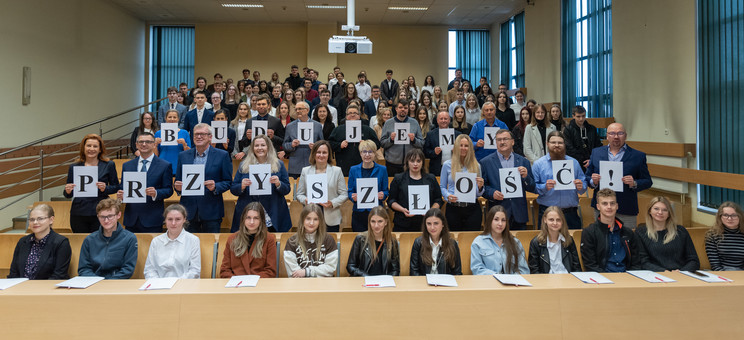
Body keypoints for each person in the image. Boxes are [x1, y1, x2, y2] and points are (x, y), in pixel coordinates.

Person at [586, 122, 653, 229]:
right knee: (602, 241)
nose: (616, 136)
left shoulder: (638, 156)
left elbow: (648, 181)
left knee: (627, 242)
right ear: (607, 136)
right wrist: (593, 181)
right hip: (602, 208)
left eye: (620, 133)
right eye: (612, 133)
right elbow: (587, 177)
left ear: (625, 136)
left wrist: (634, 183)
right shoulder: (596, 153)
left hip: (626, 208)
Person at [175, 123, 232, 233]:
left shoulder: (222, 155)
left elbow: (228, 181)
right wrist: (177, 187)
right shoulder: (183, 155)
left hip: (212, 211)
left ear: (210, 137)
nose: (199, 137)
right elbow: (178, 181)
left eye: (202, 134)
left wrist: (216, 186)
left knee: (210, 247)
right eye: (196, 134)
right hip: (188, 211)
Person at [231, 135, 291, 233]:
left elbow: (287, 189)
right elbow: (234, 189)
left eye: (263, 145)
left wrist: (278, 184)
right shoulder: (244, 165)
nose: (259, 148)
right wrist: (241, 186)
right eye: (256, 145)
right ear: (252, 148)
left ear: (268, 147)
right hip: (249, 213)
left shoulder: (279, 164)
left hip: (273, 212)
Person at [117, 132, 173, 233]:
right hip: (131, 218)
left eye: (148, 142)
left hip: (152, 218)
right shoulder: (127, 165)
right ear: (136, 145)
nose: (144, 144)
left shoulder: (165, 165)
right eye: (141, 142)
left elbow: (169, 190)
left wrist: (156, 193)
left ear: (154, 144)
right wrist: (121, 195)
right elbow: (123, 187)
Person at [480, 129, 535, 230]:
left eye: (505, 139)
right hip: (497, 213)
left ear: (512, 141)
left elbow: (532, 187)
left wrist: (526, 177)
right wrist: (492, 193)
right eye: (499, 140)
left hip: (519, 213)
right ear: (495, 142)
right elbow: (482, 188)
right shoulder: (485, 162)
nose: (502, 142)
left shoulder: (523, 161)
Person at [63, 134, 119, 233]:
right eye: (88, 146)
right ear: (83, 148)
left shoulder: (108, 165)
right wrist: (67, 191)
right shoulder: (74, 166)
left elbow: (116, 187)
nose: (91, 149)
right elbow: (68, 194)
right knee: (81, 242)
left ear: (100, 149)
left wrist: (105, 188)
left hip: (101, 210)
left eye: (95, 146)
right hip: (79, 211)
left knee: (100, 243)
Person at [532, 131, 587, 228]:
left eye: (560, 143)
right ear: (547, 144)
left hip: (570, 214)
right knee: (545, 243)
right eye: (553, 142)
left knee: (573, 242)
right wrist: (544, 187)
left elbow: (584, 186)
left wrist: (581, 186)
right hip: (547, 213)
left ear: (564, 144)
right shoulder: (538, 164)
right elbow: (533, 188)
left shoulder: (574, 163)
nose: (557, 145)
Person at [580, 188, 641, 272]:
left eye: (612, 203)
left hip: (627, 278)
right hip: (602, 279)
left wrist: (630, 278)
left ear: (617, 206)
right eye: (604, 204)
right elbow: (590, 265)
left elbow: (636, 263)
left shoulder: (628, 233)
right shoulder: (589, 232)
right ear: (598, 206)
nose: (609, 207)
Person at [295, 141, 348, 232]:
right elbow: (299, 194)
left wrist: (332, 203)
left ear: (329, 155)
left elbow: (344, 194)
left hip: (331, 217)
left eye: (324, 152)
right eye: (318, 152)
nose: (321, 155)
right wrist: (305, 200)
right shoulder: (305, 171)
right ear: (314, 153)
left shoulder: (337, 171)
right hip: (310, 217)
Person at [78, 199, 138, 279]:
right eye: (102, 217)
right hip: (93, 283)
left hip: (117, 284)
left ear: (118, 215)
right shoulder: (89, 240)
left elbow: (127, 270)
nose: (106, 221)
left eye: (110, 216)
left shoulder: (130, 238)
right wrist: (97, 282)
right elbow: (84, 269)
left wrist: (108, 283)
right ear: (98, 217)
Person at [7, 204, 71, 279]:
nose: (35, 222)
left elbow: (59, 275)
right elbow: (13, 273)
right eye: (32, 219)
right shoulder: (23, 242)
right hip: (20, 287)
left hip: (46, 288)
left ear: (51, 220)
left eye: (40, 218)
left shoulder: (61, 242)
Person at [636, 197, 699, 271]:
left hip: (681, 274)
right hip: (656, 275)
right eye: (656, 209)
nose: (660, 212)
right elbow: (643, 262)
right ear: (649, 211)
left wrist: (682, 272)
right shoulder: (640, 232)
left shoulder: (681, 231)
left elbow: (693, 260)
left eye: (665, 210)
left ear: (669, 213)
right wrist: (664, 272)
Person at [388, 149, 443, 232]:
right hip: (403, 223)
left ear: (423, 163)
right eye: (412, 161)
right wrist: (403, 209)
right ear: (407, 162)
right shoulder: (398, 179)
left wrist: (430, 211)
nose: (415, 164)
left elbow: (438, 200)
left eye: (418, 161)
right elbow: (391, 201)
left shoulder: (431, 179)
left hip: (426, 224)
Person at [220, 202, 278, 278]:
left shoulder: (269, 239)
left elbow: (271, 271)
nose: (251, 222)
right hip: (236, 285)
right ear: (243, 219)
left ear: (261, 220)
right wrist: (237, 280)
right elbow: (224, 270)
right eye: (248, 218)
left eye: (256, 218)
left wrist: (252, 279)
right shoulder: (232, 238)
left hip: (259, 284)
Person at [440, 135, 485, 231]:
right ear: (456, 147)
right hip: (453, 208)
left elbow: (477, 194)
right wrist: (448, 196)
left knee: (471, 240)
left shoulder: (476, 165)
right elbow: (442, 187)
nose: (463, 148)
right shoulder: (447, 165)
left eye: (466, 146)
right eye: (461, 145)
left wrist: (480, 188)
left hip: (472, 209)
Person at [143, 204, 201, 279]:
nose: (173, 223)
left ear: (184, 220)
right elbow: (149, 270)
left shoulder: (193, 240)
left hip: (184, 286)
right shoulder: (156, 241)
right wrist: (159, 284)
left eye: (178, 219)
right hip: (159, 286)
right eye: (170, 219)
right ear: (165, 220)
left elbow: (194, 271)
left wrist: (175, 284)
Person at [471, 205, 529, 275]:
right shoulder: (478, 242)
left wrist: (513, 280)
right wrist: (497, 276)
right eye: (496, 219)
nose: (500, 224)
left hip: (512, 284)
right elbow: (476, 269)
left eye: (503, 220)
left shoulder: (515, 242)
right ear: (490, 221)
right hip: (488, 283)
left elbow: (523, 270)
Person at [284, 204, 339, 277]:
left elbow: (330, 268)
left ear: (320, 221)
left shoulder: (328, 240)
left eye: (315, 219)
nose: (311, 223)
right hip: (300, 285)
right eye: (308, 218)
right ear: (302, 220)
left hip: (324, 284)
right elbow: (293, 272)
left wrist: (307, 272)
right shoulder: (292, 241)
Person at [347, 140, 389, 232]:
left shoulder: (382, 169)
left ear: (374, 154)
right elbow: (350, 191)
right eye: (364, 152)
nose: (367, 155)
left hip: (377, 213)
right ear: (360, 154)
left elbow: (386, 191)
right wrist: (352, 196)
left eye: (370, 152)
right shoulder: (353, 170)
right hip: (359, 213)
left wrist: (383, 195)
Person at [346, 206, 400, 276]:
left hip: (384, 282)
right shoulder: (360, 239)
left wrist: (387, 279)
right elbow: (350, 266)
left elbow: (395, 270)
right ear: (369, 222)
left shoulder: (392, 242)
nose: (376, 226)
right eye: (373, 221)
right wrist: (364, 275)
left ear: (386, 222)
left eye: (380, 221)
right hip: (364, 280)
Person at [328, 104, 381, 176]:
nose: (352, 115)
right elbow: (329, 144)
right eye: (350, 113)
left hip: (364, 165)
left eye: (355, 113)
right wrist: (339, 145)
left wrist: (367, 144)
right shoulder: (338, 130)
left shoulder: (367, 129)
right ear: (346, 116)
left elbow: (377, 144)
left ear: (359, 116)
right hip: (344, 165)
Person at [528, 206, 581, 273]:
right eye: (551, 220)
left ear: (562, 221)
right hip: (546, 280)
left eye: (558, 220)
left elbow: (577, 267)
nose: (555, 223)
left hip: (568, 279)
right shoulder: (536, 242)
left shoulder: (569, 240)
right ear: (545, 220)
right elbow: (534, 270)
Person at [410, 208, 462, 276]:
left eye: (436, 223)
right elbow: (414, 271)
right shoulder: (418, 243)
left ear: (443, 224)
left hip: (445, 284)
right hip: (424, 283)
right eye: (429, 224)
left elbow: (457, 272)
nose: (432, 227)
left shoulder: (452, 244)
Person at [379, 99, 424, 176]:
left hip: (410, 164)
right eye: (400, 107)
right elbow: (382, 143)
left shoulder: (414, 122)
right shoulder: (388, 123)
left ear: (408, 109)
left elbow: (422, 143)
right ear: (396, 109)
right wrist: (391, 139)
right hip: (392, 163)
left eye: (405, 108)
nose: (403, 109)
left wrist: (414, 140)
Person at [282, 102, 323, 178]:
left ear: (307, 110)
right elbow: (284, 145)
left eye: (300, 109)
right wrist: (291, 145)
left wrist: (316, 147)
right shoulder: (290, 126)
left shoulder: (317, 126)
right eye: (296, 109)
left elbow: (322, 145)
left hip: (312, 164)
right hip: (295, 166)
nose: (297, 111)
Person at [237, 94, 286, 158]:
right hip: (254, 156)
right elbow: (243, 143)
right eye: (259, 104)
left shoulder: (276, 121)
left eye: (263, 104)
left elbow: (283, 141)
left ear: (268, 106)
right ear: (256, 106)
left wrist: (273, 137)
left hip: (271, 156)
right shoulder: (249, 121)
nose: (261, 106)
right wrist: (248, 138)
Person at [705, 202, 744, 271]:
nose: (729, 218)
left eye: (734, 215)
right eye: (725, 215)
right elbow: (715, 265)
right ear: (720, 217)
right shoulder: (712, 235)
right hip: (722, 273)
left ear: (740, 216)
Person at [564, 105, 602, 172]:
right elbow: (569, 148)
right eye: (578, 116)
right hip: (575, 162)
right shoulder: (568, 130)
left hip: (591, 162)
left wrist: (592, 159)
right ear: (573, 116)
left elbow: (598, 145)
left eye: (583, 116)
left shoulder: (592, 128)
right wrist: (583, 161)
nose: (581, 119)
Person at [424, 111, 461, 178]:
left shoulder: (457, 135)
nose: (443, 121)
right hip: (436, 168)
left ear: (449, 120)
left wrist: (457, 151)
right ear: (437, 120)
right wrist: (434, 152)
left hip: (454, 167)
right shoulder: (431, 134)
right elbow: (426, 152)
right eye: (441, 119)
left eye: (445, 119)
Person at [154, 109, 191, 175]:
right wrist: (155, 144)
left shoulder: (184, 133)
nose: (172, 119)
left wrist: (184, 144)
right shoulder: (158, 133)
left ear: (178, 119)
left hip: (178, 165)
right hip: (162, 165)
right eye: (170, 117)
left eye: (174, 117)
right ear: (165, 118)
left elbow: (189, 154)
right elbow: (155, 155)